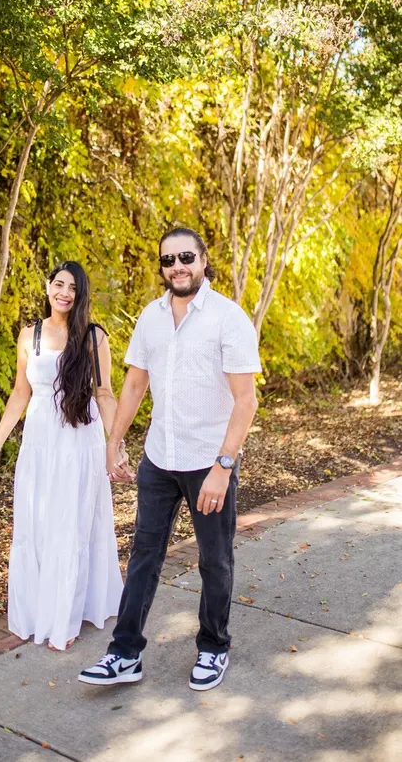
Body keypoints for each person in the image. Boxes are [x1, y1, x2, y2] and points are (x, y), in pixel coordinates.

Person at [79, 227, 261, 690]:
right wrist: (114, 441)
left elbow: (246, 401)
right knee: (144, 556)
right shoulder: (151, 317)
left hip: (208, 462)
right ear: (161, 267)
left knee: (214, 560)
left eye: (185, 257)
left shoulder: (228, 318)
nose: (177, 266)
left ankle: (214, 647)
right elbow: (134, 384)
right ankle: (124, 654)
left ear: (203, 260)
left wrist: (223, 467)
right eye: (168, 260)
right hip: (159, 459)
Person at [0, 261, 126, 651]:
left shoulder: (93, 337)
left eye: (73, 288)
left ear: (81, 294)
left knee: (72, 526)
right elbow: (19, 393)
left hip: (79, 443)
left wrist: (116, 445)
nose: (64, 293)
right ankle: (38, 610)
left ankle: (66, 619)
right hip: (40, 444)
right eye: (59, 284)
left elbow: (104, 393)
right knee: (38, 524)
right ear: (48, 287)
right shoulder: (30, 334)